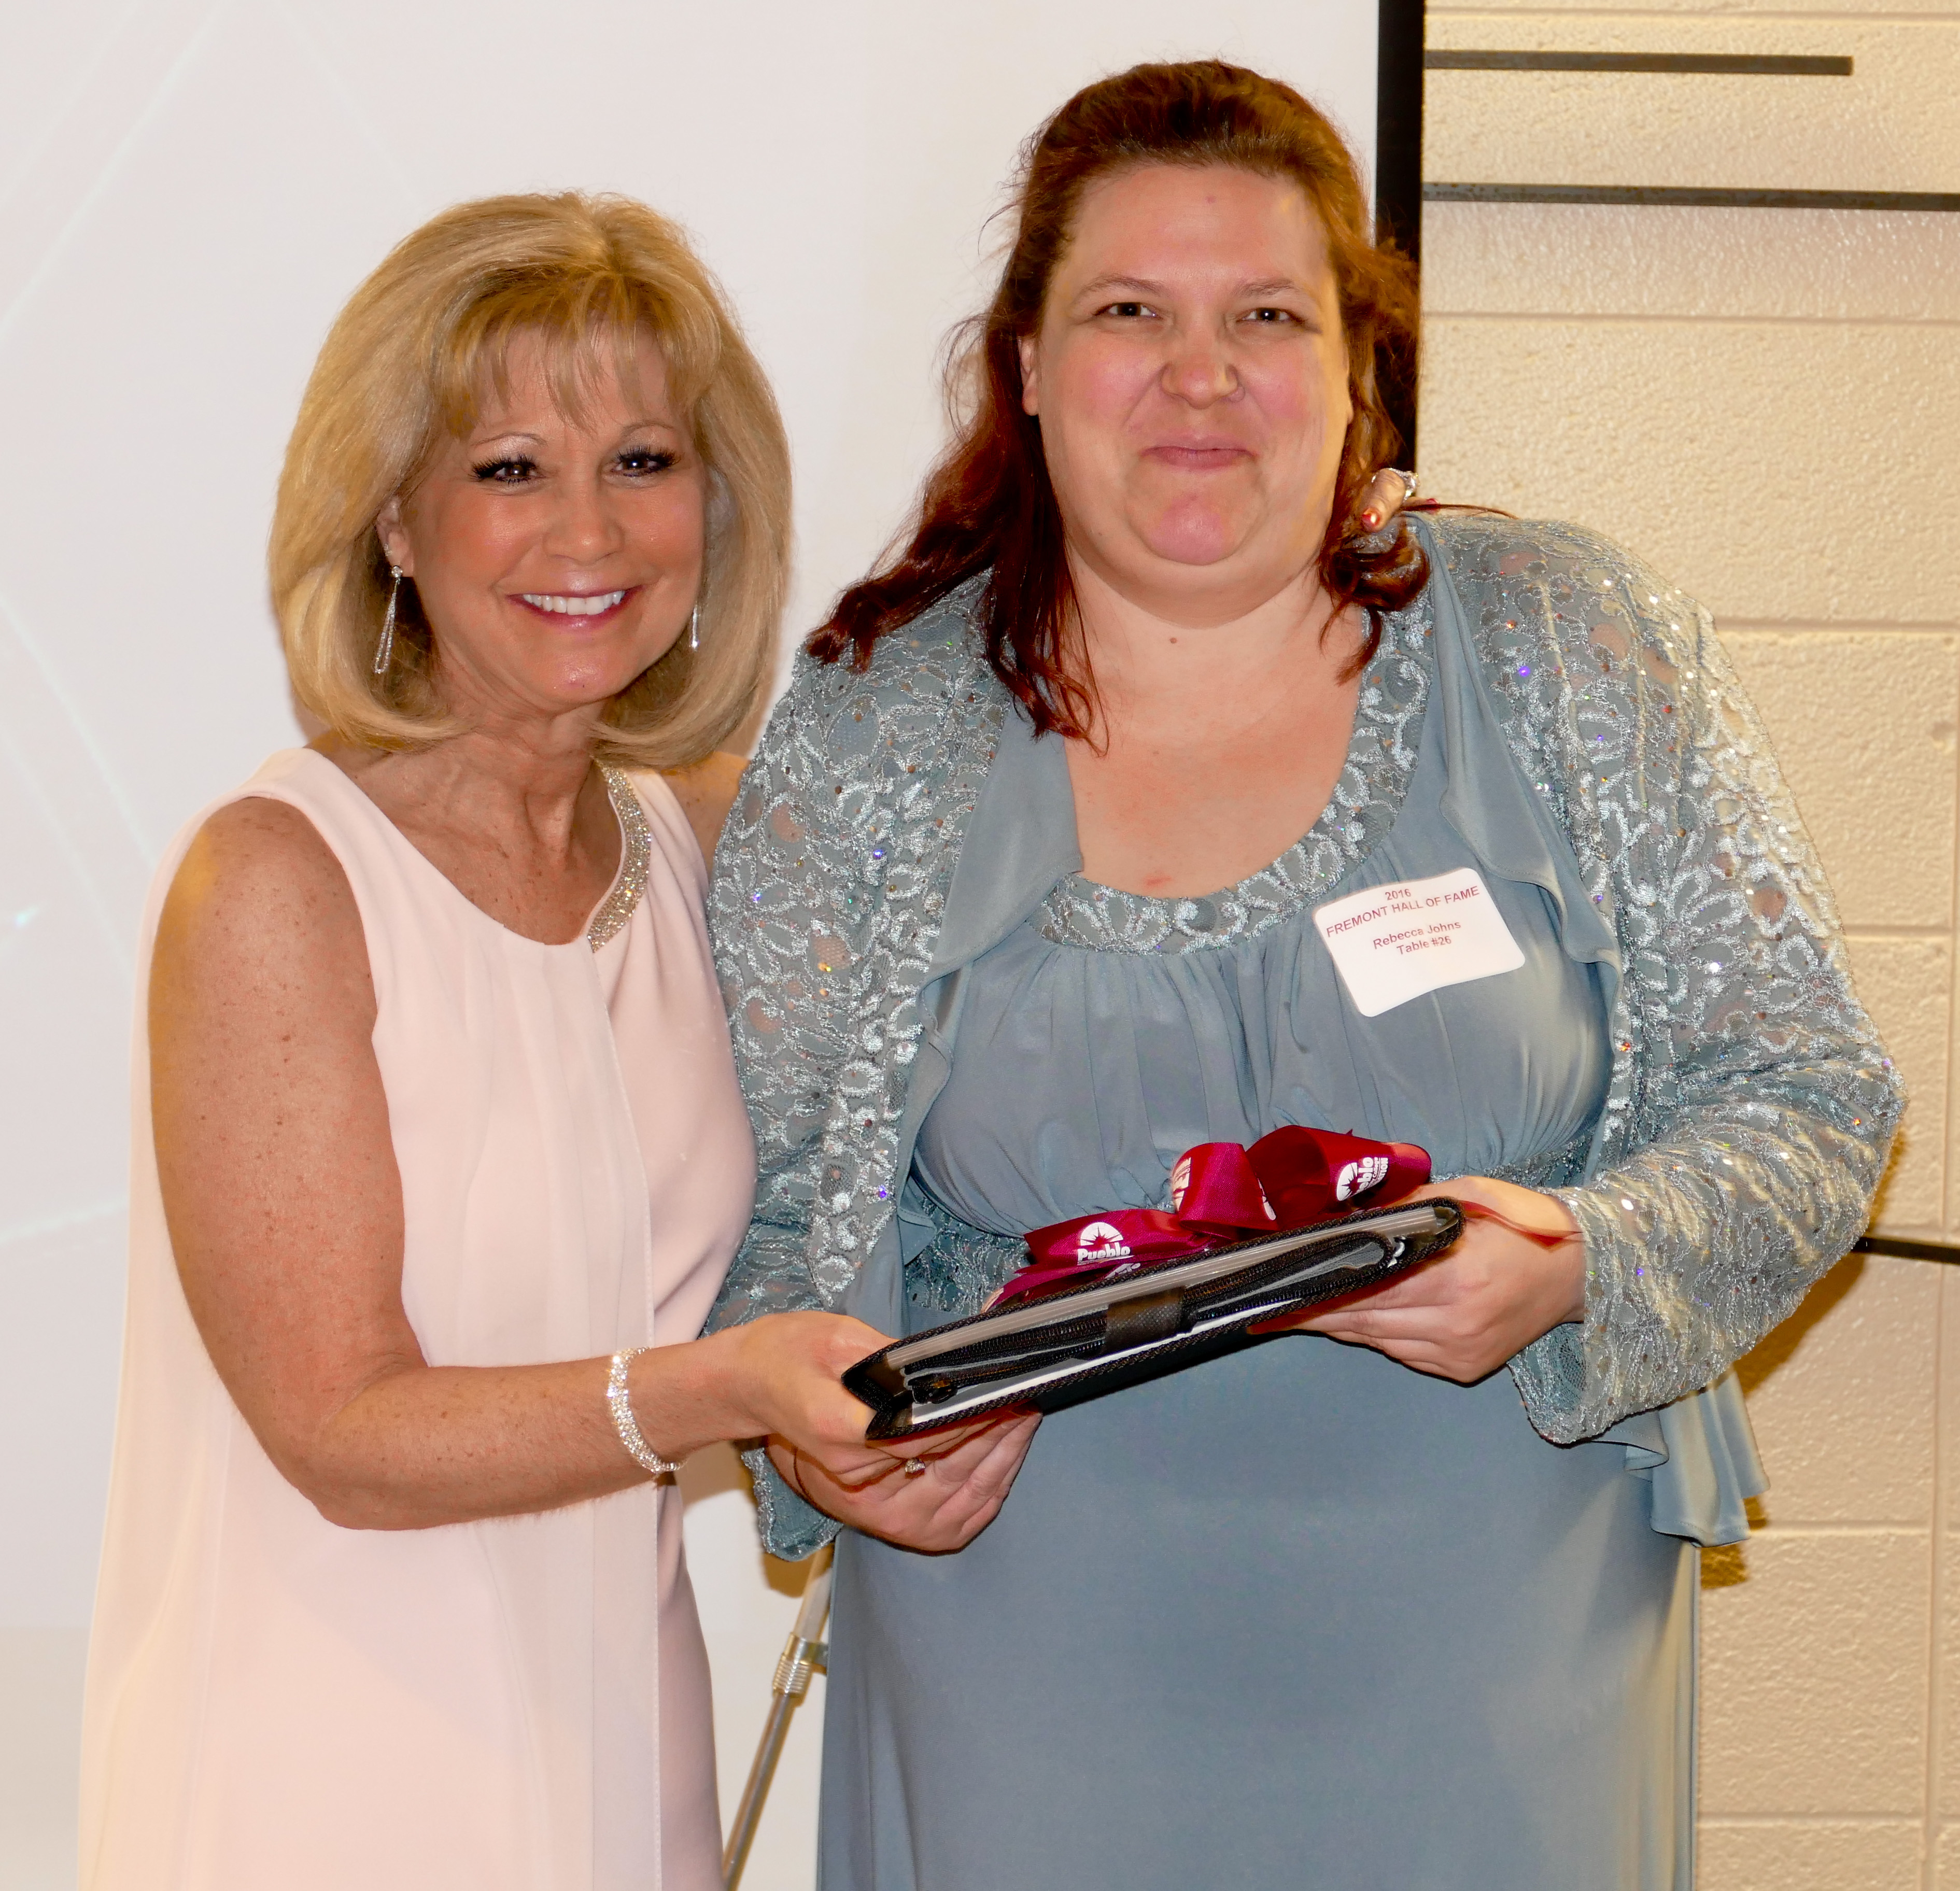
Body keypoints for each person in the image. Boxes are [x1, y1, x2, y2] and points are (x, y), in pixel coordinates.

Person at [709, 62, 1902, 1889]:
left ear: (1358, 359)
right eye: (1131, 313)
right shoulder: (873, 731)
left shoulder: (1572, 647)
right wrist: (836, 1444)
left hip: (1505, 1710)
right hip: (1027, 1704)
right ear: (1025, 362)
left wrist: (1586, 1265)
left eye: (1266, 315)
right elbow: (763, 1229)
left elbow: (1816, 1104)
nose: (1202, 376)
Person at [75, 191, 1042, 1891]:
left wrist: (1326, 570)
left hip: (623, 1767)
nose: (586, 534)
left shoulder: (703, 851)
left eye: (645, 463)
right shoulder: (278, 880)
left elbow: (1043, 846)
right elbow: (342, 1431)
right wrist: (732, 1391)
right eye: (510, 467)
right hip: (318, 1786)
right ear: (391, 519)